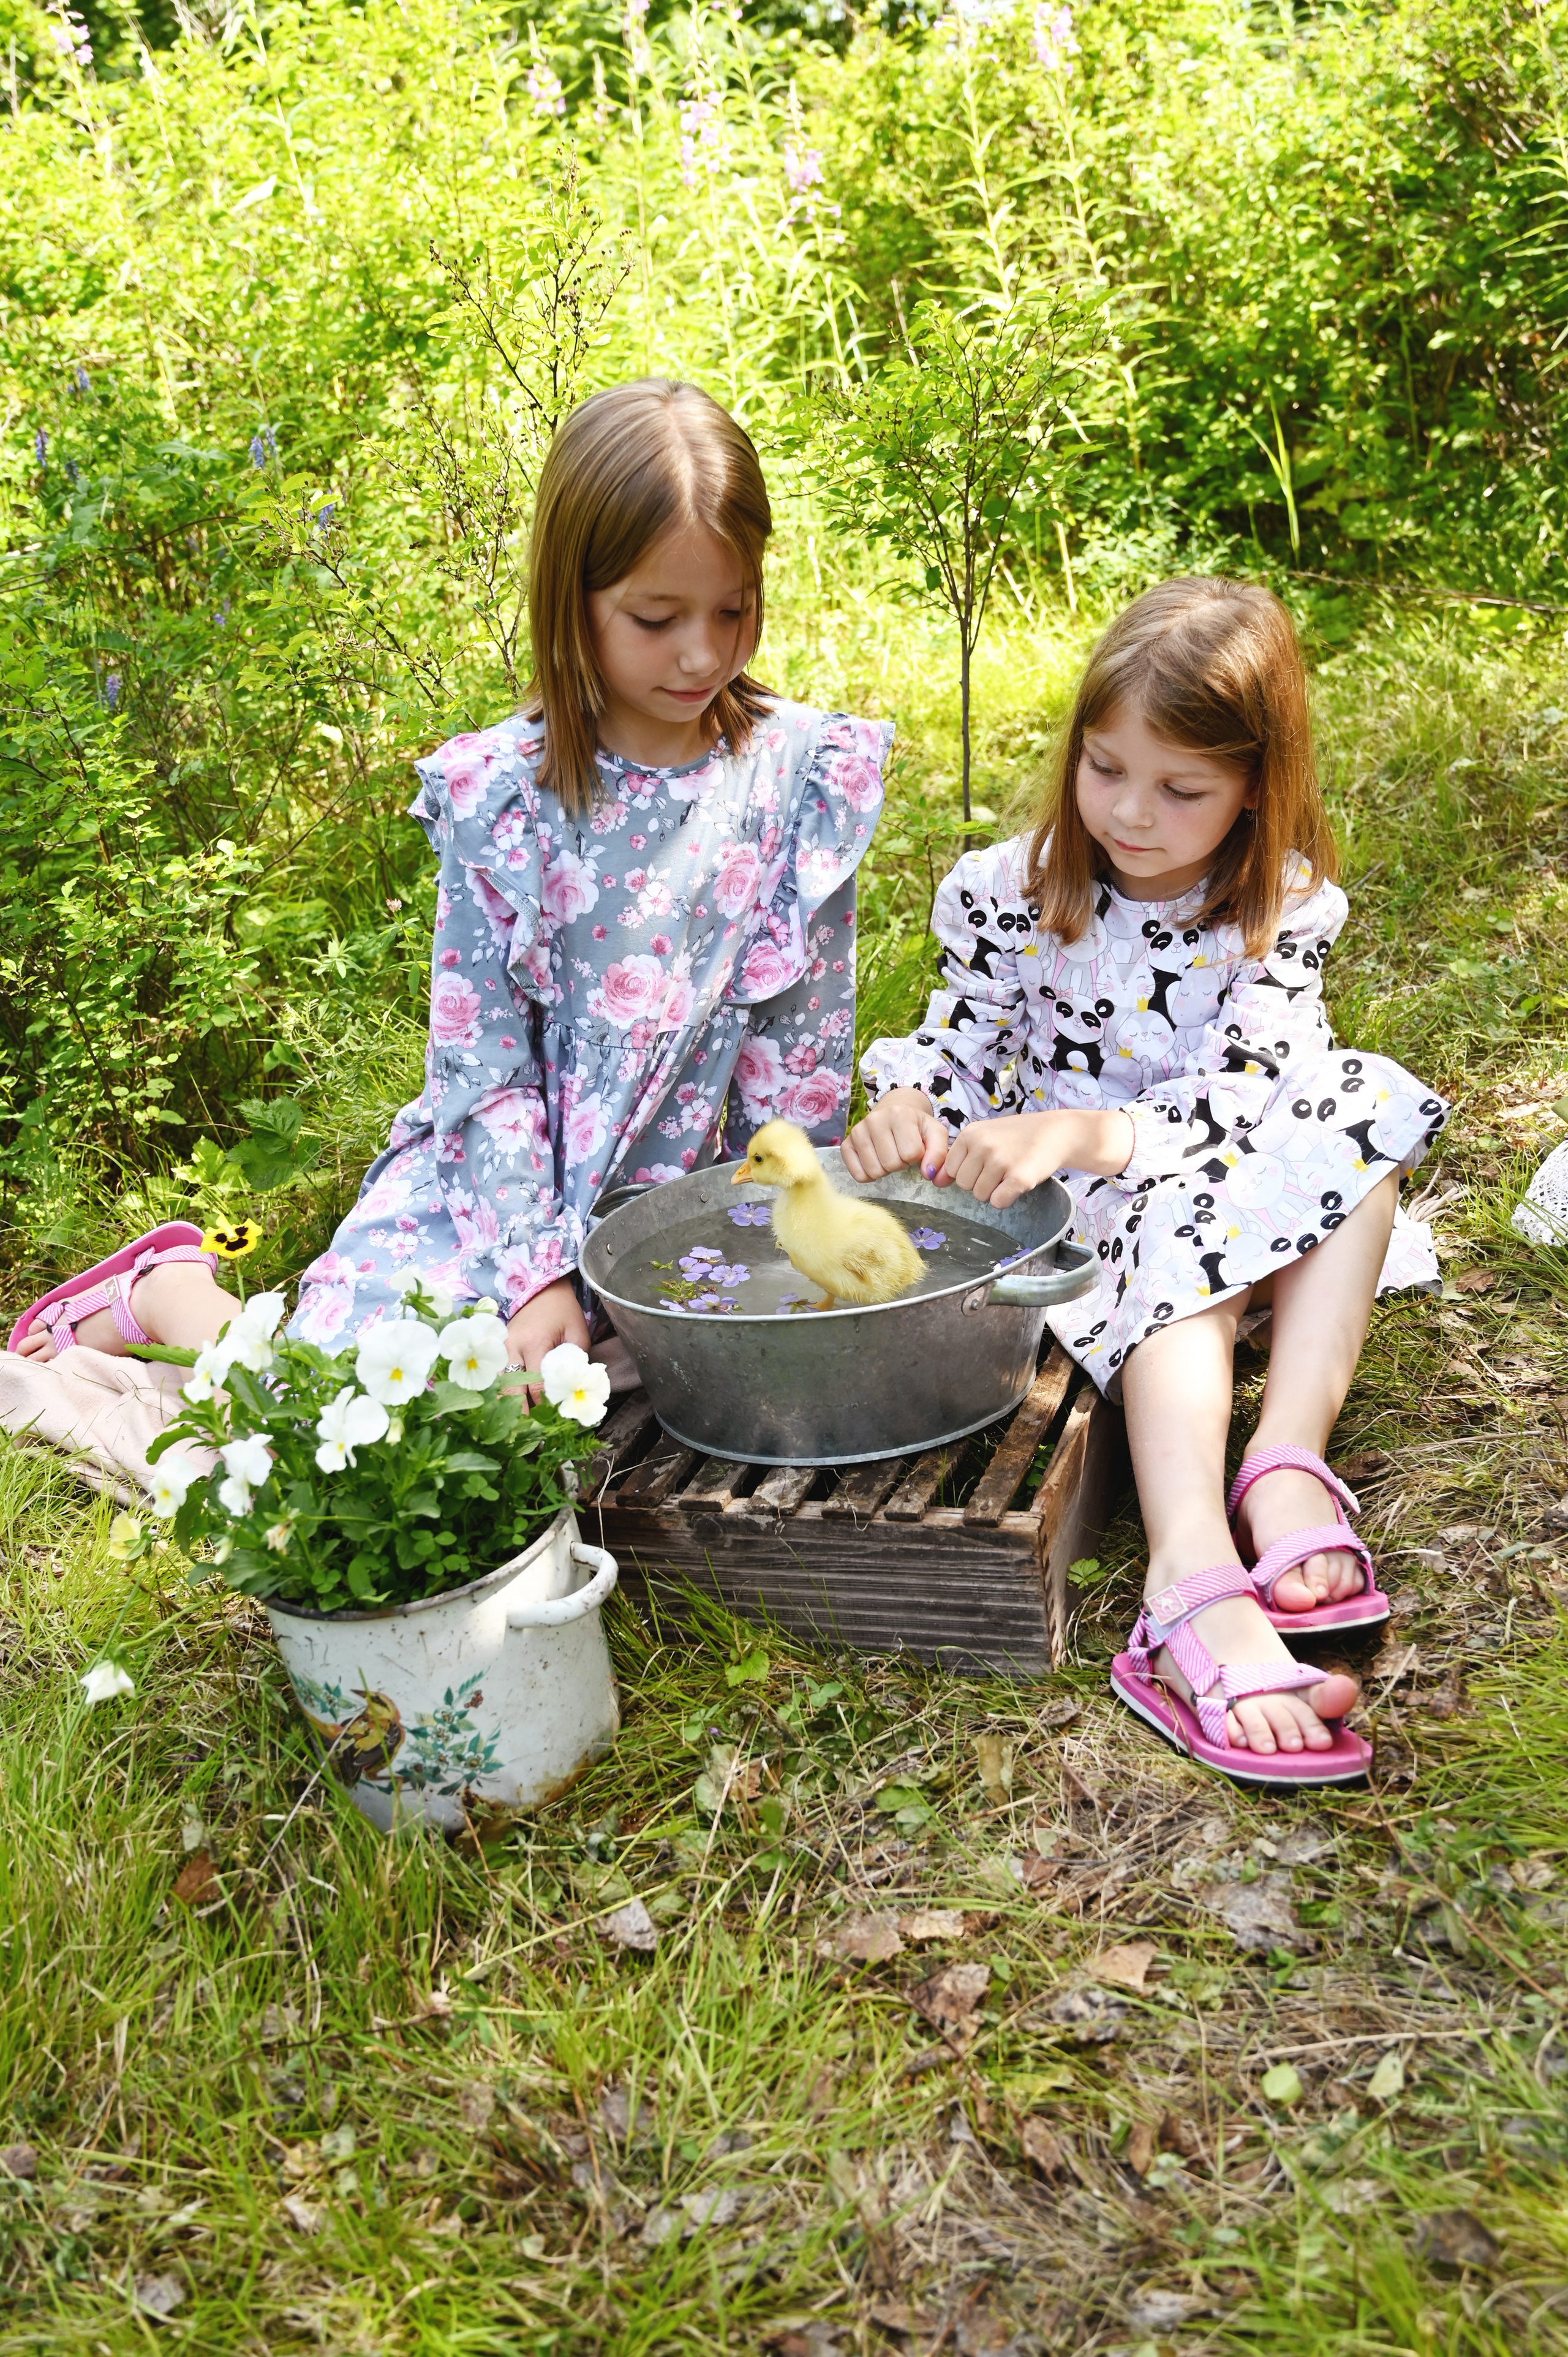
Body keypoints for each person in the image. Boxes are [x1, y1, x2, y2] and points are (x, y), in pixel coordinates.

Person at [9, 379, 891, 1397]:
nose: (702, 652)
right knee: (361, 1416)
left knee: (568, 1426)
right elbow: (482, 1068)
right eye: (656, 618)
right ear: (575, 603)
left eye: (732, 610)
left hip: (673, 1212)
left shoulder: (800, 780)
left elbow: (798, 1069)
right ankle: (169, 1293)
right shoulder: (510, 799)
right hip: (495, 1200)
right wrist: (535, 1277)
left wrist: (771, 1251)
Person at [845, 578, 1447, 1786]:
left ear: (1249, 790)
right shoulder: (1005, 894)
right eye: (1105, 768)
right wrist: (911, 1098)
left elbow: (1245, 1096)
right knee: (1180, 1241)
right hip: (1101, 1224)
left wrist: (1081, 1127)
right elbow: (957, 1046)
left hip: (1214, 1175)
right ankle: (1184, 1569)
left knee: (1361, 1107)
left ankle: (1279, 1458)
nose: (1131, 812)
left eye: (1180, 790)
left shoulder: (1272, 907)